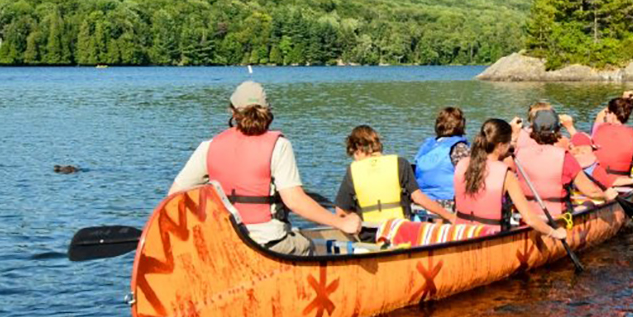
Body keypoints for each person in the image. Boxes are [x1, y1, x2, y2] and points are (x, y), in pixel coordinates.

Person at [168, 80, 359, 254]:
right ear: (267, 111)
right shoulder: (279, 146)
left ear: (233, 112)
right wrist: (340, 223)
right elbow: (295, 201)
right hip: (268, 243)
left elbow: (173, 197)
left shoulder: (208, 147)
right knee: (308, 248)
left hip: (223, 242)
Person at [452, 118, 571, 243]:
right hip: (493, 239)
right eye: (509, 142)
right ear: (500, 146)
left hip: (462, 233)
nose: (510, 146)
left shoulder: (462, 164)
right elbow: (530, 219)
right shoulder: (506, 174)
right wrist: (554, 233)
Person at [335, 125, 459, 234]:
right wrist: (449, 216)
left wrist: (354, 217)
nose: (355, 160)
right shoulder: (400, 163)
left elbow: (340, 211)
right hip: (399, 233)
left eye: (353, 155)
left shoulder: (353, 170)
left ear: (357, 150)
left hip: (369, 235)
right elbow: (418, 198)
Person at [513, 107, 611, 218]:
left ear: (533, 130)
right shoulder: (565, 156)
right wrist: (607, 195)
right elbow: (591, 192)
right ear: (558, 130)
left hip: (527, 215)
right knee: (589, 203)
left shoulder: (517, 154)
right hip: (559, 215)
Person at [411, 107, 470, 211]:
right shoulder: (459, 147)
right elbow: (471, 176)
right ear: (461, 125)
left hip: (424, 201)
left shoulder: (427, 145)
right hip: (448, 202)